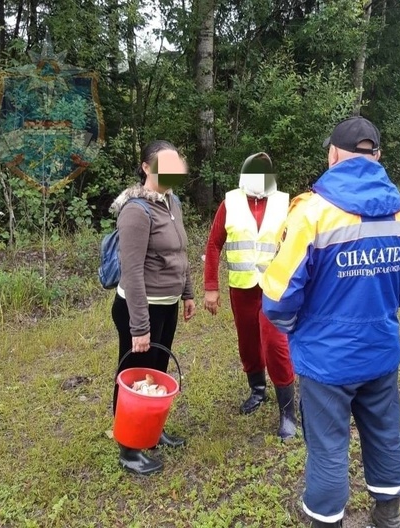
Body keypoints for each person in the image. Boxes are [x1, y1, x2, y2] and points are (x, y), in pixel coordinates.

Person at [261, 117, 400, 527]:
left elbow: (278, 299)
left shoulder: (311, 213)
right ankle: (388, 516)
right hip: (380, 350)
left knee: (327, 448)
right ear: (376, 155)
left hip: (326, 360)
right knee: (386, 434)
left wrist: (301, 329)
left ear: (333, 154)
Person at [110, 140, 195, 475]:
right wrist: (140, 326)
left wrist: (187, 293)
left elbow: (180, 254)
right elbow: (131, 272)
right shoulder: (136, 210)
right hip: (138, 308)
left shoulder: (172, 202)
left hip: (167, 304)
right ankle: (129, 449)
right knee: (133, 376)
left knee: (157, 371)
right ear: (147, 167)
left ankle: (151, 431)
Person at [203, 152, 297, 441]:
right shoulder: (229, 203)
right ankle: (257, 390)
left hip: (274, 289)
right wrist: (210, 286)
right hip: (241, 288)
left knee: (276, 344)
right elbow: (214, 244)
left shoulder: (285, 203)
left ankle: (288, 411)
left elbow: (297, 244)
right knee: (249, 343)